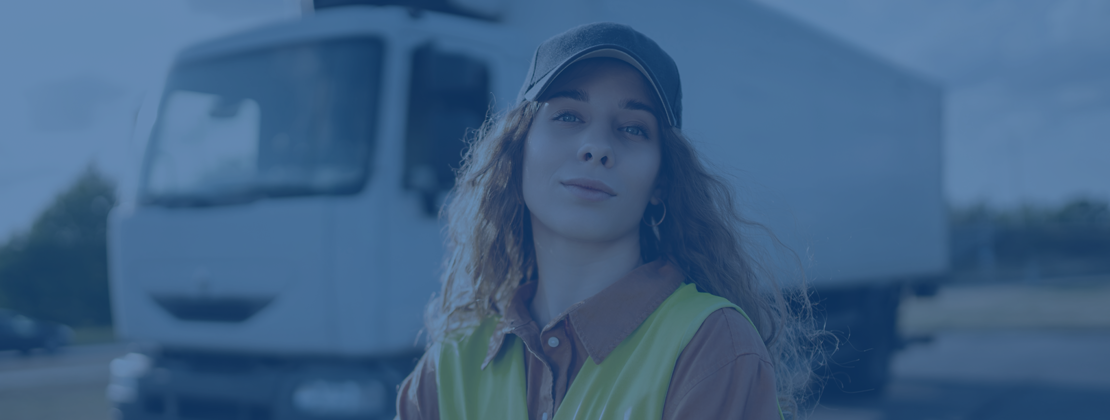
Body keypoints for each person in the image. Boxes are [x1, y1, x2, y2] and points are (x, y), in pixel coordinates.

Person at [396, 22, 818, 420]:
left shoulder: (710, 345)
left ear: (661, 183)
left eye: (632, 129)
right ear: (516, 153)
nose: (596, 147)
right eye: (568, 116)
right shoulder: (445, 372)